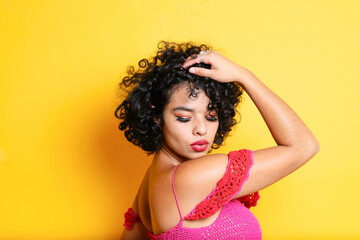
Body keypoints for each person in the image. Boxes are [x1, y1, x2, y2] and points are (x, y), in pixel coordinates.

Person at [115, 41, 319, 240]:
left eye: (211, 116)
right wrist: (244, 76)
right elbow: (304, 146)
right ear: (156, 117)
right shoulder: (191, 176)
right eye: (184, 118)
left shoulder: (150, 183)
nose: (201, 129)